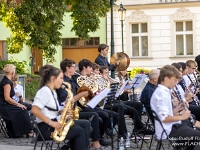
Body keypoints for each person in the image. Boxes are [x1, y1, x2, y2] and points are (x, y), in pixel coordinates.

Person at [31, 65, 87, 150]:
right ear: (53, 78)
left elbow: (50, 109)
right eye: (61, 78)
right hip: (45, 129)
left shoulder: (52, 92)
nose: (62, 81)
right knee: (79, 131)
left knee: (80, 128)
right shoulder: (44, 91)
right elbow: (34, 109)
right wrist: (51, 123)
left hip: (52, 126)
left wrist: (63, 112)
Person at [56, 58, 104, 149]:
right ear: (67, 68)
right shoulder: (63, 83)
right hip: (68, 114)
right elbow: (65, 101)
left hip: (76, 110)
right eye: (74, 67)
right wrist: (81, 94)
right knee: (92, 119)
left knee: (95, 120)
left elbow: (83, 91)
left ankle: (72, 146)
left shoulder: (73, 81)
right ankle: (92, 143)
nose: (75, 69)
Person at [150, 65, 200, 150]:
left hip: (172, 125)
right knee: (198, 136)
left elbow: (166, 113)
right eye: (174, 80)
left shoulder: (164, 91)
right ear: (166, 79)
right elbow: (164, 118)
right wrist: (182, 117)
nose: (176, 82)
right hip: (167, 130)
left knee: (196, 131)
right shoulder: (161, 94)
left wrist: (178, 108)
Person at [0, 64, 33, 138]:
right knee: (23, 109)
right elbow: (7, 98)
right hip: (4, 106)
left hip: (6, 104)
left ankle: (21, 131)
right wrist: (18, 105)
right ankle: (29, 131)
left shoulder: (8, 81)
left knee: (26, 107)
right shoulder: (7, 83)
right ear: (12, 73)